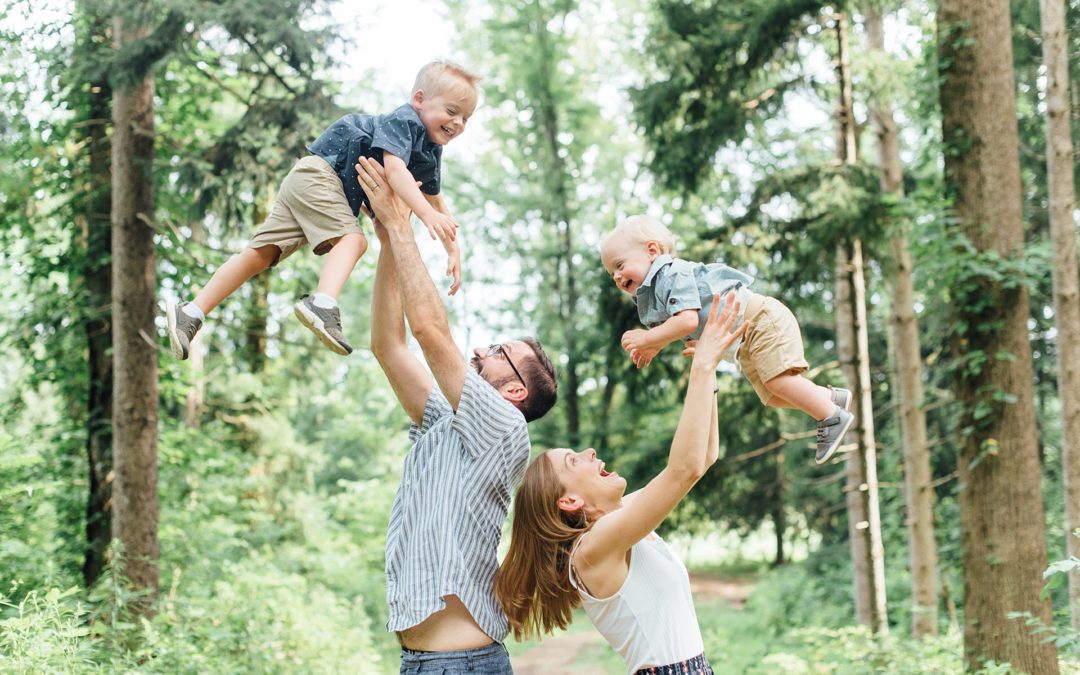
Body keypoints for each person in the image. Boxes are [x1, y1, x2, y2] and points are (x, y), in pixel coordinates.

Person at [354, 155, 558, 674]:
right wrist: (386, 241)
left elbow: (428, 331)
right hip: (427, 663)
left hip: (461, 665)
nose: (482, 350)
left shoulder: (504, 430)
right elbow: (388, 345)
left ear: (513, 389)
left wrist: (403, 224)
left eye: (498, 351)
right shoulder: (446, 422)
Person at [496, 292, 744, 675]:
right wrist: (704, 364)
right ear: (569, 501)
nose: (591, 451)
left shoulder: (617, 521)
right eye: (574, 460)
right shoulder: (592, 550)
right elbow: (684, 469)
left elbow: (704, 457)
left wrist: (707, 367)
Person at [167, 61, 477, 359]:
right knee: (354, 241)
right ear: (419, 99)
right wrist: (425, 215)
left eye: (466, 118)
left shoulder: (431, 150)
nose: (458, 123)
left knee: (259, 254)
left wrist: (454, 249)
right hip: (321, 176)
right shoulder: (406, 121)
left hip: (308, 182)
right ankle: (323, 304)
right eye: (452, 112)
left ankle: (191, 312)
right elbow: (396, 173)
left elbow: (436, 200)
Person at [600, 214, 853, 464]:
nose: (618, 277)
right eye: (612, 274)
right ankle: (831, 399)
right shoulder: (654, 292)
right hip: (744, 342)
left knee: (778, 383)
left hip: (758, 320)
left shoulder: (671, 273)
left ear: (652, 251)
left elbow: (687, 321)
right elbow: (678, 325)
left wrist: (647, 339)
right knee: (772, 396)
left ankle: (831, 416)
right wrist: (655, 344)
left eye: (620, 265)